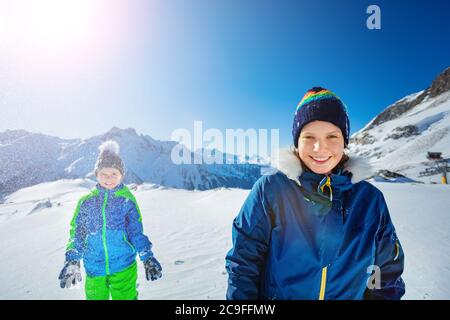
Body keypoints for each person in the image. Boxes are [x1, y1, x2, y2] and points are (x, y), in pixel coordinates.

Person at [225, 87, 405, 300]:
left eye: (332, 136)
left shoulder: (370, 200)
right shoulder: (272, 189)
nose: (320, 147)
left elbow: (386, 271)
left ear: (345, 141)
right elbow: (244, 263)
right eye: (309, 136)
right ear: (296, 141)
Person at [58, 140, 162, 300]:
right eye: (104, 174)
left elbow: (135, 232)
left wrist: (146, 255)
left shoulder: (127, 201)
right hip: (94, 268)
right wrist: (73, 259)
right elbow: (78, 232)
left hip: (123, 266)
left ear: (122, 176)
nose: (109, 178)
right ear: (96, 174)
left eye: (114, 174)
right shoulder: (86, 202)